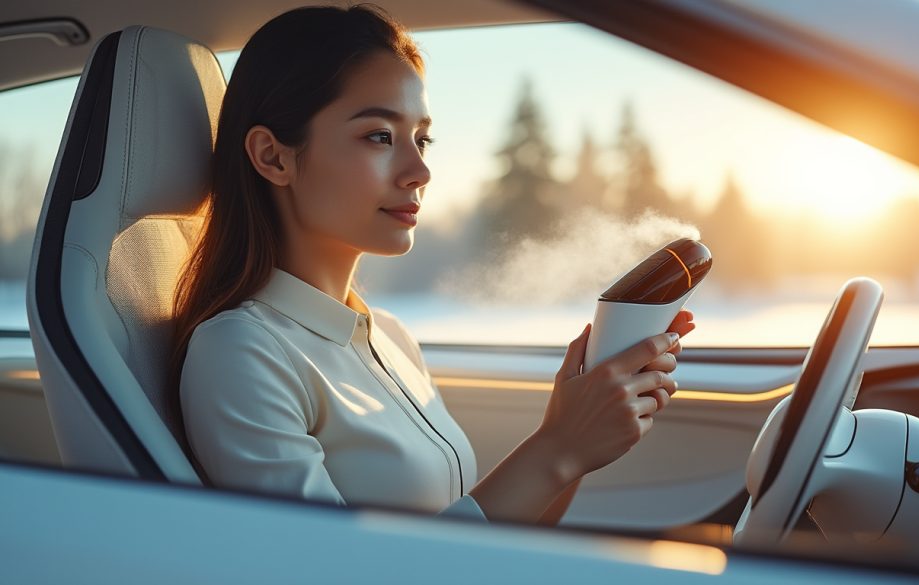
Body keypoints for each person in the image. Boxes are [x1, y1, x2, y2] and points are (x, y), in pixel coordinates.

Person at [171, 4, 696, 525]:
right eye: (380, 135)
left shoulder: (392, 338)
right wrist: (557, 446)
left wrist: (576, 442)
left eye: (422, 140)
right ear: (273, 157)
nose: (419, 170)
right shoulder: (239, 352)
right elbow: (330, 570)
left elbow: (482, 544)